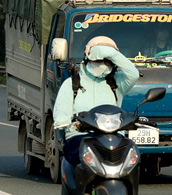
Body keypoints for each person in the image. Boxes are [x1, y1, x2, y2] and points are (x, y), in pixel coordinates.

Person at [53, 36, 139, 166]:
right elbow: (60, 115)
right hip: (80, 137)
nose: (103, 64)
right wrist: (70, 121)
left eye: (108, 61)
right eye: (98, 59)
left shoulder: (116, 82)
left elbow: (134, 74)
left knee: (131, 155)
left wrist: (112, 53)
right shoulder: (72, 84)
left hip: (112, 137)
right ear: (88, 57)